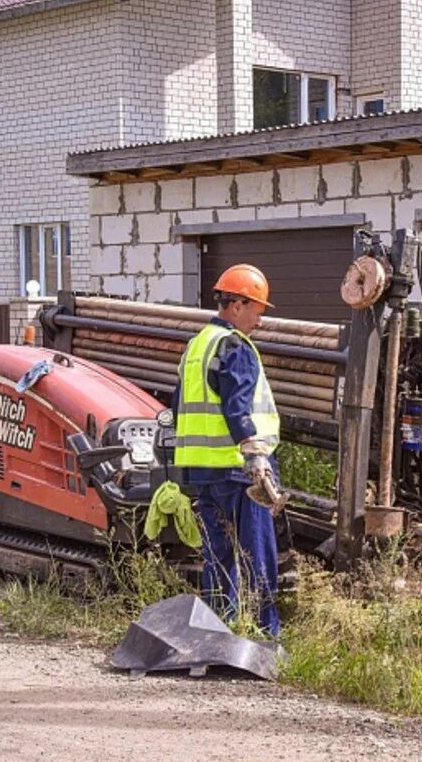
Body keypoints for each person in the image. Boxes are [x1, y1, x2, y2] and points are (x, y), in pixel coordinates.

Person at [173, 264, 283, 637]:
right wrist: (256, 459)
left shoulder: (196, 345)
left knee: (217, 558)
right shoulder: (234, 346)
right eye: (257, 309)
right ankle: (265, 636)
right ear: (236, 305)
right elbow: (237, 408)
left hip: (202, 471)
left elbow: (179, 408)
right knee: (257, 554)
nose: (261, 319)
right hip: (238, 471)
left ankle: (217, 632)